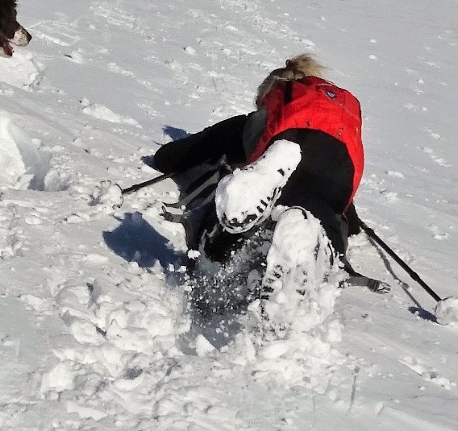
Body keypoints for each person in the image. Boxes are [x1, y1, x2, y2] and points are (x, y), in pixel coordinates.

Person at [151, 55, 364, 298]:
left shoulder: (255, 123)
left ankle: (221, 266)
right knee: (325, 219)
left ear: (268, 99)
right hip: (335, 185)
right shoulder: (332, 124)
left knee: (238, 205)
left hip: (281, 178)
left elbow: (169, 158)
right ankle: (320, 257)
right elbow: (351, 221)